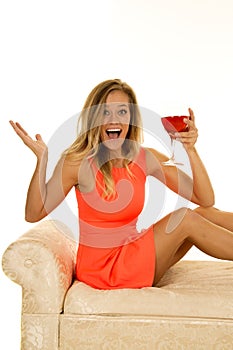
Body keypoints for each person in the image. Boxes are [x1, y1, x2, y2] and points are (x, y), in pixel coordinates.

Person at [10, 78, 233, 289]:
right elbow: (33, 213)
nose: (114, 119)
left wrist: (190, 149)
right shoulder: (77, 163)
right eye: (105, 112)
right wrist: (42, 162)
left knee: (206, 214)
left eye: (122, 112)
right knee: (185, 219)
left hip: (135, 255)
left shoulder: (143, 157)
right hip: (104, 269)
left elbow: (205, 199)